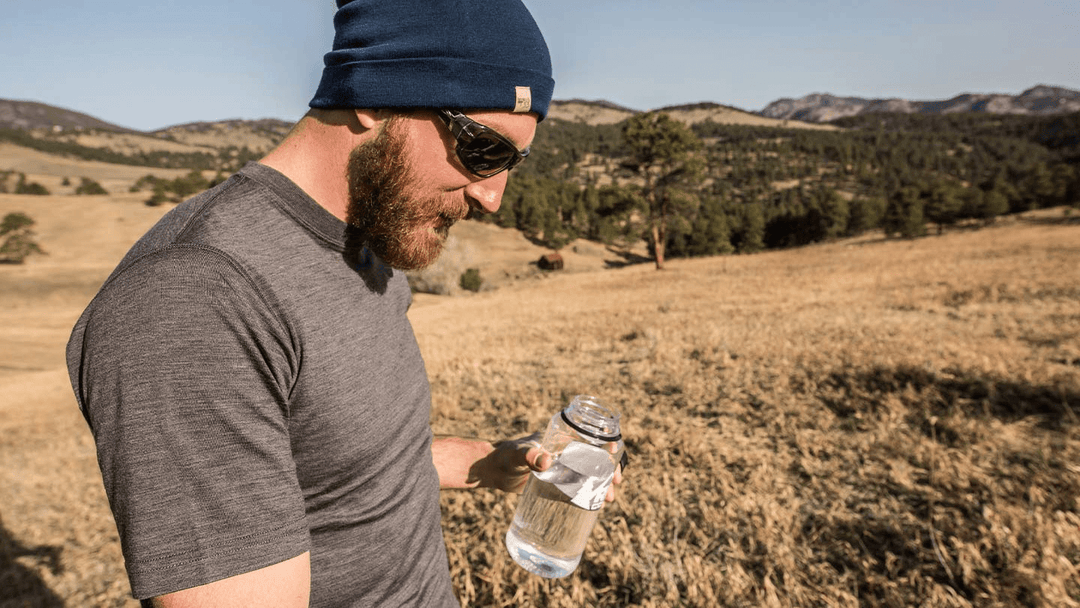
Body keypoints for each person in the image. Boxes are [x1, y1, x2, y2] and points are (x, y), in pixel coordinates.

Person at [65, 1, 622, 606]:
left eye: (514, 161)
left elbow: (335, 469)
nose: (493, 197)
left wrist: (486, 462)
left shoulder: (369, 232)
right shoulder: (192, 301)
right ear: (376, 93)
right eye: (483, 150)